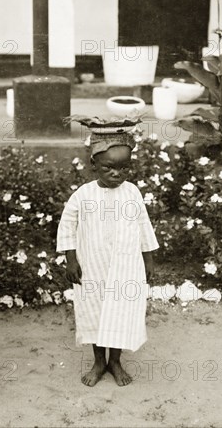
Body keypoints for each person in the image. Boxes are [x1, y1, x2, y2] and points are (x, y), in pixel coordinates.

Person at [57, 116, 160, 387]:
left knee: (121, 312)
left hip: (126, 266)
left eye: (123, 168)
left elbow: (143, 226)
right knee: (94, 311)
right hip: (92, 267)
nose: (117, 173)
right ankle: (99, 361)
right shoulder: (83, 195)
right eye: (109, 168)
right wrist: (70, 260)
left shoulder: (132, 193)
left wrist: (148, 259)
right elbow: (67, 225)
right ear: (94, 165)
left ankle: (115, 360)